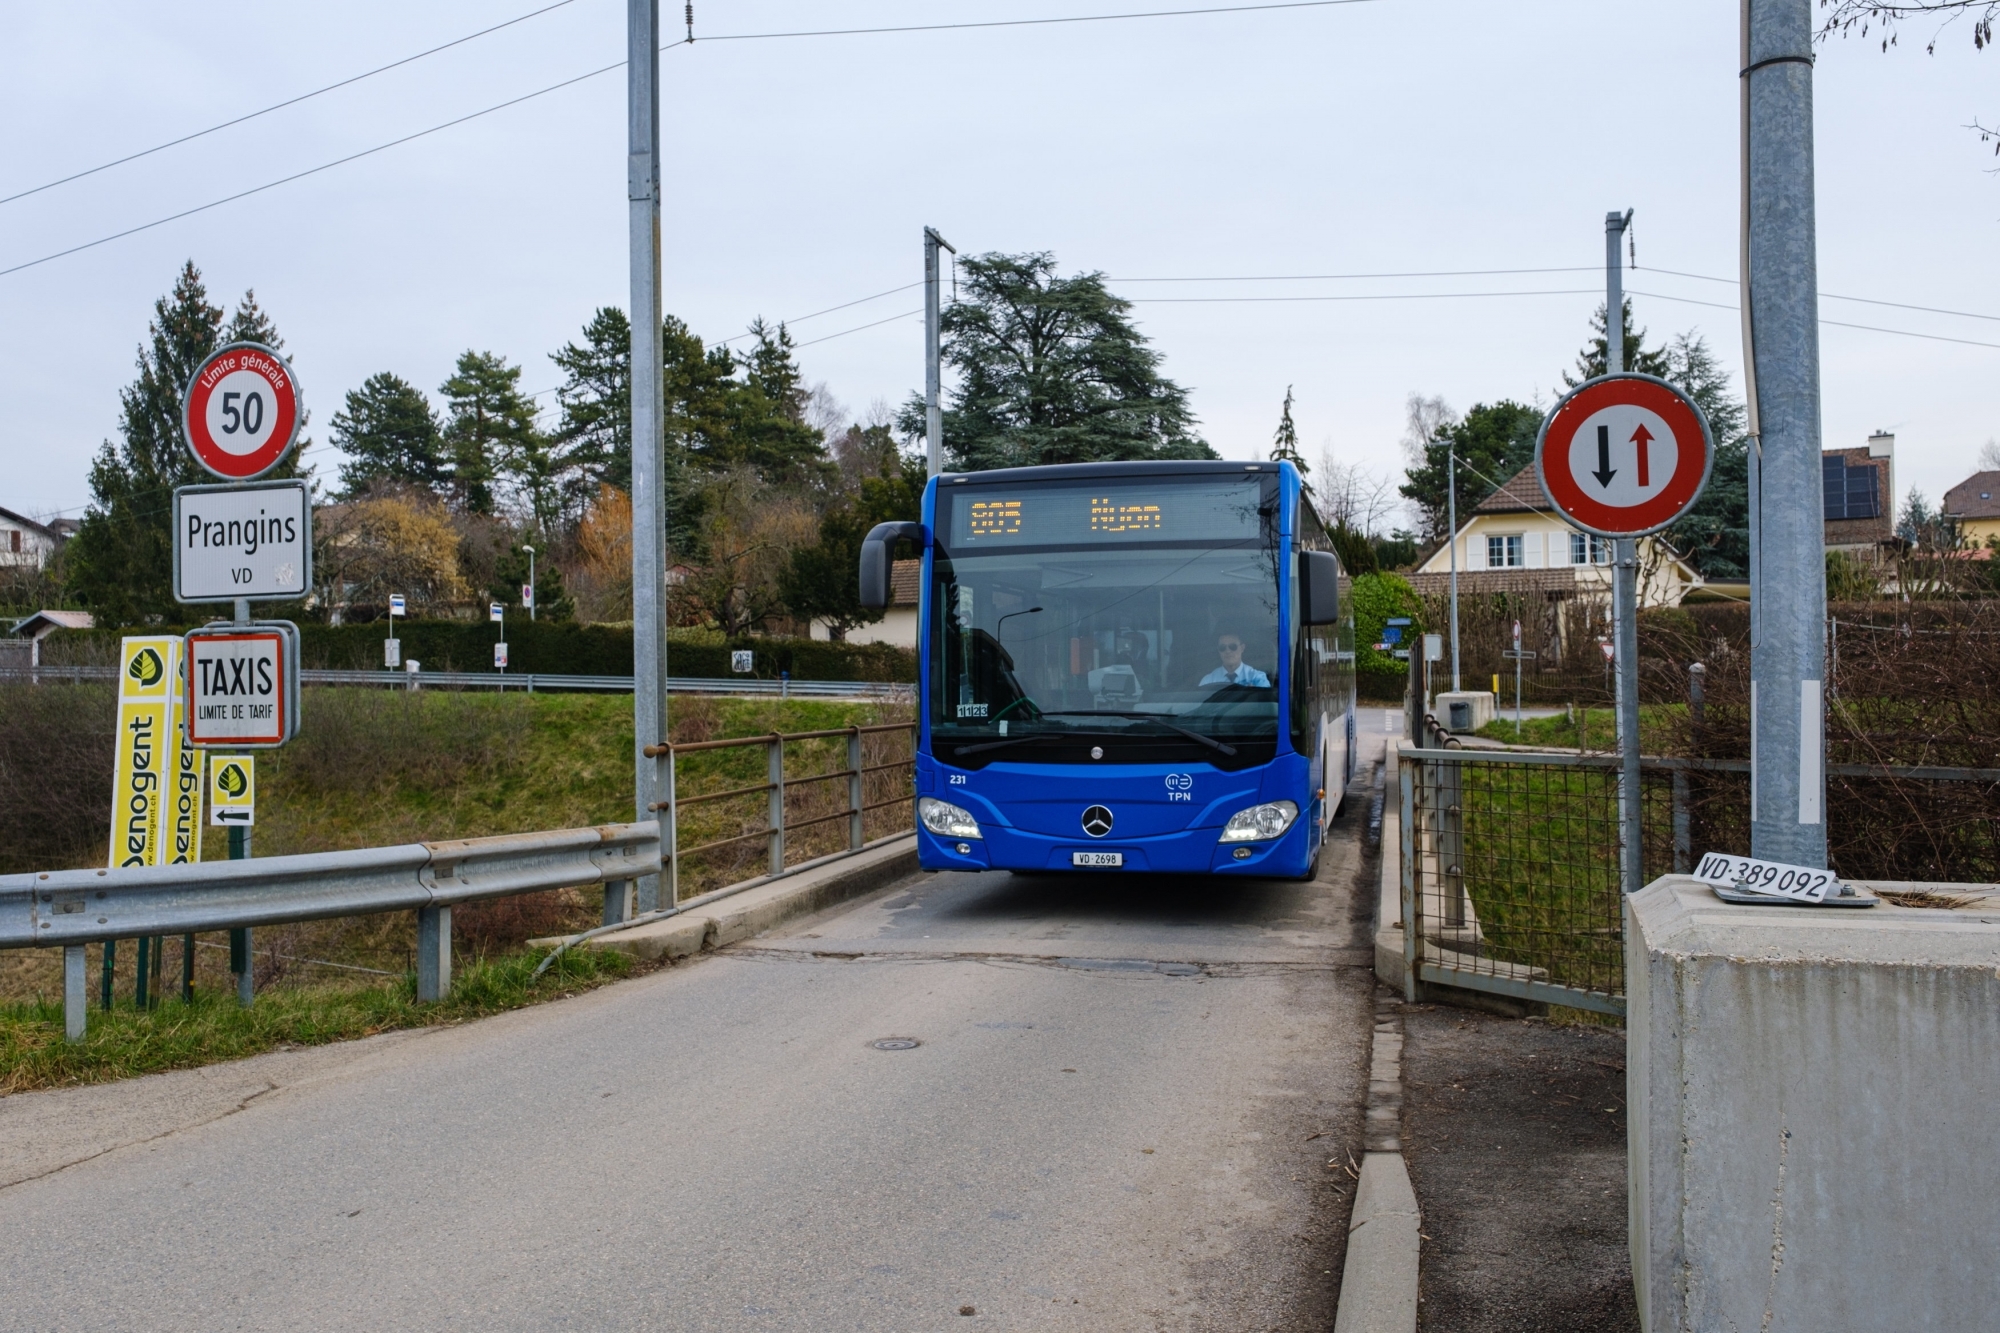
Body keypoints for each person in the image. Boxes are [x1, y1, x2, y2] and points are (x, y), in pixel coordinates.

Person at [1199, 633, 1270, 688]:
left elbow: (1266, 704)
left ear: (1242, 648)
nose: (1227, 651)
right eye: (1222, 647)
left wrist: (1254, 694)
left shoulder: (1257, 678)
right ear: (1218, 651)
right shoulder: (1208, 681)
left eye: (1233, 647)